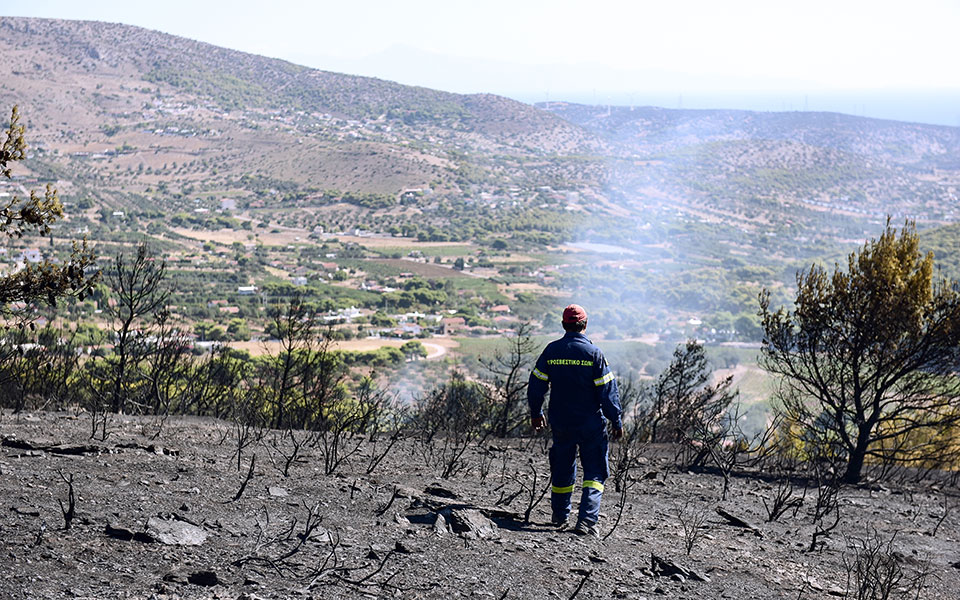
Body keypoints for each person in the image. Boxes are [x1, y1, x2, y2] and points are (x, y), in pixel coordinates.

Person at [528, 304, 622, 537]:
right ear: (585, 324)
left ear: (563, 325)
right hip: (590, 424)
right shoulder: (594, 354)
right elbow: (607, 392)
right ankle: (587, 521)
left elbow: (536, 385)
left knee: (562, 466)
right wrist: (616, 420)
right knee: (595, 472)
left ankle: (560, 515)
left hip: (561, 421)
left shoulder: (552, 351)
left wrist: (536, 413)